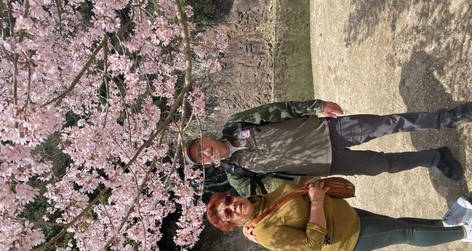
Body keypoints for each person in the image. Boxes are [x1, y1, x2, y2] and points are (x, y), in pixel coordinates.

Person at [184, 99, 472, 196]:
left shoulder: (236, 124)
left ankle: (448, 118)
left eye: (202, 146)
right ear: (208, 165)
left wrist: (317, 105)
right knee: (384, 165)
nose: (207, 152)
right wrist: (301, 182)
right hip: (325, 165)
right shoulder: (237, 175)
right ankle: (435, 157)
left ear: (205, 138)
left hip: (327, 131)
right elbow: (270, 192)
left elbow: (277, 110)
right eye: (203, 158)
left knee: (390, 123)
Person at [206, 181, 472, 251]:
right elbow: (312, 243)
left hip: (346, 216)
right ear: (232, 224)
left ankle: (447, 225)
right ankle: (463, 232)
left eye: (228, 200)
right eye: (228, 213)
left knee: (400, 222)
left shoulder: (259, 201)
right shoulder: (265, 233)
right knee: (404, 232)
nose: (232, 205)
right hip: (344, 240)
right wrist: (318, 201)